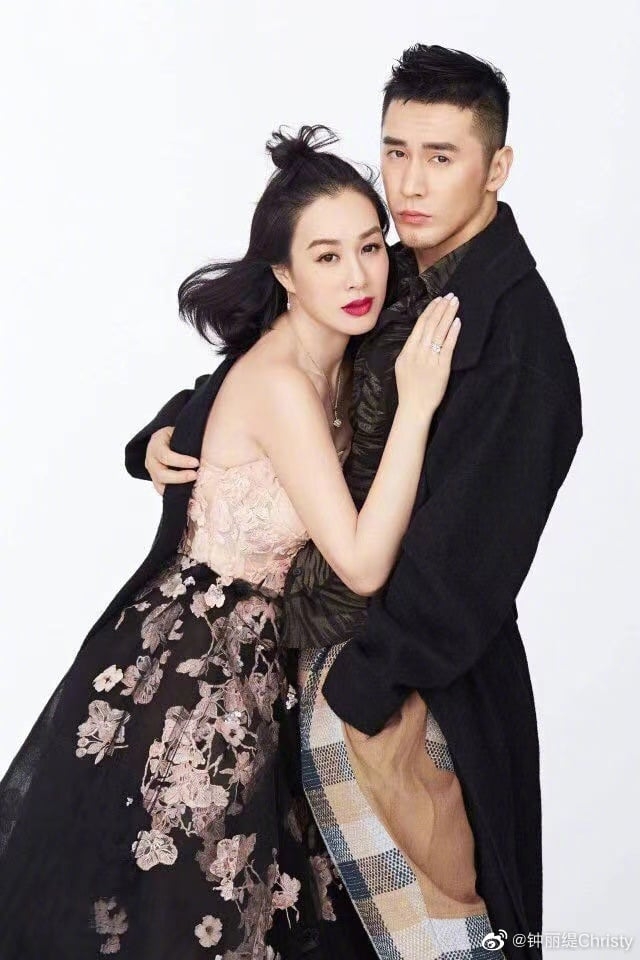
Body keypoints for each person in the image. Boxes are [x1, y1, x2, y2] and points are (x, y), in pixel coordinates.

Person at [129, 45, 583, 960]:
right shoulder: (394, 270)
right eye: (396, 151)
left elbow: (471, 563)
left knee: (447, 941)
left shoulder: (516, 341)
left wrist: (362, 690)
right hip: (297, 674)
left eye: (441, 157)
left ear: (497, 167)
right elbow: (282, 370)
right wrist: (161, 433)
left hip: (409, 692)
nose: (409, 183)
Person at [0, 124, 472, 959]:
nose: (358, 275)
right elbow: (361, 562)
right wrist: (419, 405)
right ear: (284, 274)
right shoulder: (282, 383)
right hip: (193, 681)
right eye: (326, 256)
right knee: (188, 927)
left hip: (261, 675)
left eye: (369, 247)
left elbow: (200, 398)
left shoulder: (345, 357)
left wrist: (158, 434)